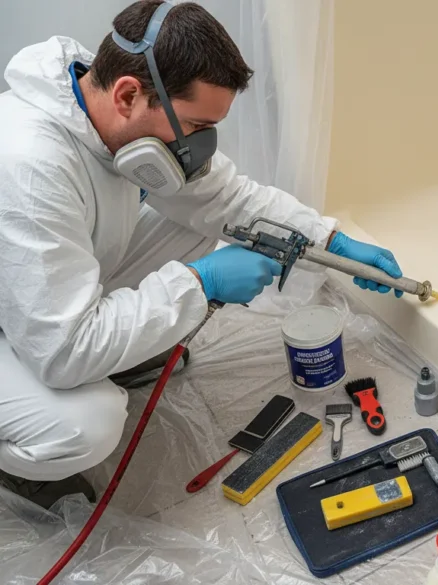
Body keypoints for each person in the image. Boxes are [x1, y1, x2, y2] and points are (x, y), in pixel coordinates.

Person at [0, 0, 404, 508]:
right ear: (129, 94)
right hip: (23, 328)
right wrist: (199, 283)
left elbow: (227, 200)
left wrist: (329, 242)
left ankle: (117, 357)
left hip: (41, 296)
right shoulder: (28, 167)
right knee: (87, 424)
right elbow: (63, 351)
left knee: (196, 218)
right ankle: (17, 462)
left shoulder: (104, 109)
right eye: (193, 126)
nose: (200, 146)